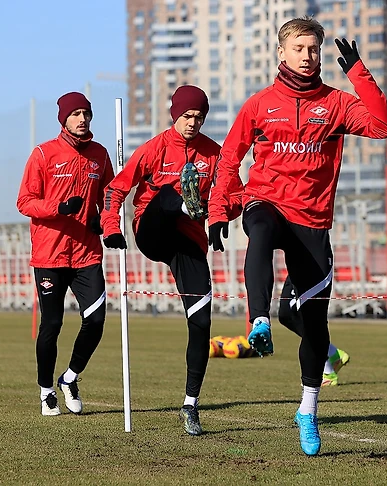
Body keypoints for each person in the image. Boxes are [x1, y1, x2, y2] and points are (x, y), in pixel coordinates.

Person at [207, 17, 387, 455]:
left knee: (314, 325)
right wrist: (218, 210)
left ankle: (308, 410)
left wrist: (359, 73)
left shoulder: (336, 103)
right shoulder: (259, 104)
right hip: (266, 201)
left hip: (312, 221)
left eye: (313, 49)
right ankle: (258, 320)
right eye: (299, 48)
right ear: (282, 53)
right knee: (259, 231)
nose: (307, 56)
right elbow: (229, 159)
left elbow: (383, 126)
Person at [100, 85, 241, 436]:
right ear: (175, 115)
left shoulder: (215, 154)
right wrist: (110, 227)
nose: (193, 122)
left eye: (199, 117)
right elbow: (115, 189)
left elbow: (236, 195)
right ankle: (184, 205)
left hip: (188, 241)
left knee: (202, 323)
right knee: (166, 194)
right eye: (187, 116)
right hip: (153, 230)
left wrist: (218, 216)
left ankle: (190, 405)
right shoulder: (154, 148)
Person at [17, 92, 114, 416]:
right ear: (63, 119)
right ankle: (46, 391)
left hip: (87, 254)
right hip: (50, 255)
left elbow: (110, 195)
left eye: (86, 113)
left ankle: (70, 377)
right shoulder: (43, 154)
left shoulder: (100, 155)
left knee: (96, 320)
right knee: (52, 324)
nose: (82, 119)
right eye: (76, 114)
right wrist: (58, 208)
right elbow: (25, 201)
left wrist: (104, 220)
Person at [277, 276, 350, 387]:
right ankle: (332, 353)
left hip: (309, 270)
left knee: (305, 316)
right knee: (286, 315)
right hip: (293, 270)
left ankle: (328, 372)